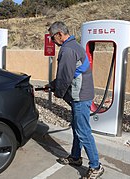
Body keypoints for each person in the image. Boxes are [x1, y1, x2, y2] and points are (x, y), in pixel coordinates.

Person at [46, 21, 104, 179]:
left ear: (59, 34)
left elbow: (65, 77)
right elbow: (68, 73)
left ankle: (96, 166)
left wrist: (57, 92)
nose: (52, 41)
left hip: (80, 96)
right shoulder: (74, 46)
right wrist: (51, 85)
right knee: (77, 128)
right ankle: (76, 157)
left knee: (83, 131)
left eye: (52, 38)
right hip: (81, 94)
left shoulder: (67, 49)